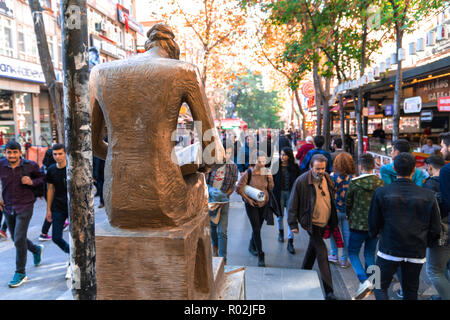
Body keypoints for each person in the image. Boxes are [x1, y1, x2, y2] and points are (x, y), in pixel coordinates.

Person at [369, 152, 441, 300]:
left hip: (388, 249)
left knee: (378, 285)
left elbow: (373, 222)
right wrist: (427, 243)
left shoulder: (381, 192)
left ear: (394, 168)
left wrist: (376, 233)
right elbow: (435, 228)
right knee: (410, 290)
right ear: (414, 170)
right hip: (416, 250)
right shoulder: (428, 195)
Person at [288, 154, 339, 300]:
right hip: (311, 224)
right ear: (311, 167)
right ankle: (329, 291)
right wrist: (293, 224)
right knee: (322, 252)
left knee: (313, 250)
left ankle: (303, 273)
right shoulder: (302, 181)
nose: (320, 171)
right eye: (317, 168)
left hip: (324, 222)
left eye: (323, 168)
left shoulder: (327, 178)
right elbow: (293, 203)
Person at [0, 140, 45, 288]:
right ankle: (35, 249)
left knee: (19, 239)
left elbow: (42, 179)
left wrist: (32, 181)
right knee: (16, 238)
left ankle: (20, 272)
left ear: (20, 152)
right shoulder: (1, 165)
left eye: (15, 152)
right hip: (7, 207)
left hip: (25, 205)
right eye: (9, 152)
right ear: (5, 153)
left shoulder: (30, 165)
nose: (12, 155)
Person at [346, 153, 384, 299]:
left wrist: (350, 216)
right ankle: (375, 283)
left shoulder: (354, 183)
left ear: (360, 166)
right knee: (370, 254)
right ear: (374, 166)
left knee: (353, 253)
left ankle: (364, 281)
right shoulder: (381, 183)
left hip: (356, 225)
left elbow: (348, 204)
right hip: (375, 227)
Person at [236, 151, 274, 267]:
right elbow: (238, 188)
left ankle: (251, 245)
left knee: (258, 228)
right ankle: (261, 255)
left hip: (264, 203)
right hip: (252, 205)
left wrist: (271, 179)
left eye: (263, 161)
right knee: (256, 229)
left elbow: (271, 188)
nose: (262, 164)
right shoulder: (248, 173)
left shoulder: (266, 172)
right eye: (259, 161)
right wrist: (248, 199)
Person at [205, 142, 238, 263]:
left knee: (222, 231)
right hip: (212, 202)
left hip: (224, 202)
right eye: (225, 152)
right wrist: (213, 197)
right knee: (213, 228)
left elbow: (232, 186)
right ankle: (215, 247)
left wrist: (224, 197)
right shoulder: (211, 165)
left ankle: (223, 259)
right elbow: (205, 183)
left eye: (230, 153)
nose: (227, 155)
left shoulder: (233, 167)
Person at [423, 154, 449, 300]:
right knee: (444, 267)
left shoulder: (430, 184)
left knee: (434, 270)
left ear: (430, 167)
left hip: (441, 232)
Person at [45, 144, 71, 279]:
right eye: (55, 154)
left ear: (65, 153)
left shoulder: (72, 167)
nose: (57, 157)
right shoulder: (51, 169)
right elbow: (50, 189)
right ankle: (71, 254)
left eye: (60, 153)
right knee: (56, 237)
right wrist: (48, 209)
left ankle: (73, 263)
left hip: (74, 207)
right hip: (58, 207)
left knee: (76, 236)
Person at [328, 152, 356, 268]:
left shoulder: (331, 176)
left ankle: (334, 254)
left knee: (333, 233)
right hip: (347, 212)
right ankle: (344, 259)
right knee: (347, 236)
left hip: (334, 211)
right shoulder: (353, 179)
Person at [272, 147, 301, 254]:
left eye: (284, 154)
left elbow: (298, 181)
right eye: (281, 154)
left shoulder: (295, 167)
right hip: (279, 194)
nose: (282, 157)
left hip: (291, 194)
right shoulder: (276, 166)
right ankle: (280, 232)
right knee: (279, 216)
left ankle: (290, 241)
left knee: (291, 217)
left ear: (289, 156)